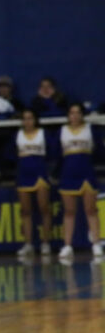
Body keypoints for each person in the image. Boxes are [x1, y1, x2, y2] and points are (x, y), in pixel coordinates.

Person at [57, 103, 102, 261]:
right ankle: (67, 245)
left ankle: (96, 244)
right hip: (68, 174)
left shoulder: (90, 130)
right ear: (68, 115)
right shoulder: (62, 131)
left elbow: (98, 151)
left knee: (91, 210)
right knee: (69, 211)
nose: (74, 115)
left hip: (86, 173)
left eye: (77, 112)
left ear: (82, 115)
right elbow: (58, 155)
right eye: (71, 112)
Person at [14, 109, 55, 259]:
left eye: (30, 118)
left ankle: (46, 243)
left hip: (40, 174)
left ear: (35, 120)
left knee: (44, 208)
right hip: (24, 174)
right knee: (25, 211)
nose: (27, 121)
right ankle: (28, 244)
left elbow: (53, 150)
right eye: (25, 118)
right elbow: (10, 153)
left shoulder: (43, 133)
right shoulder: (18, 135)